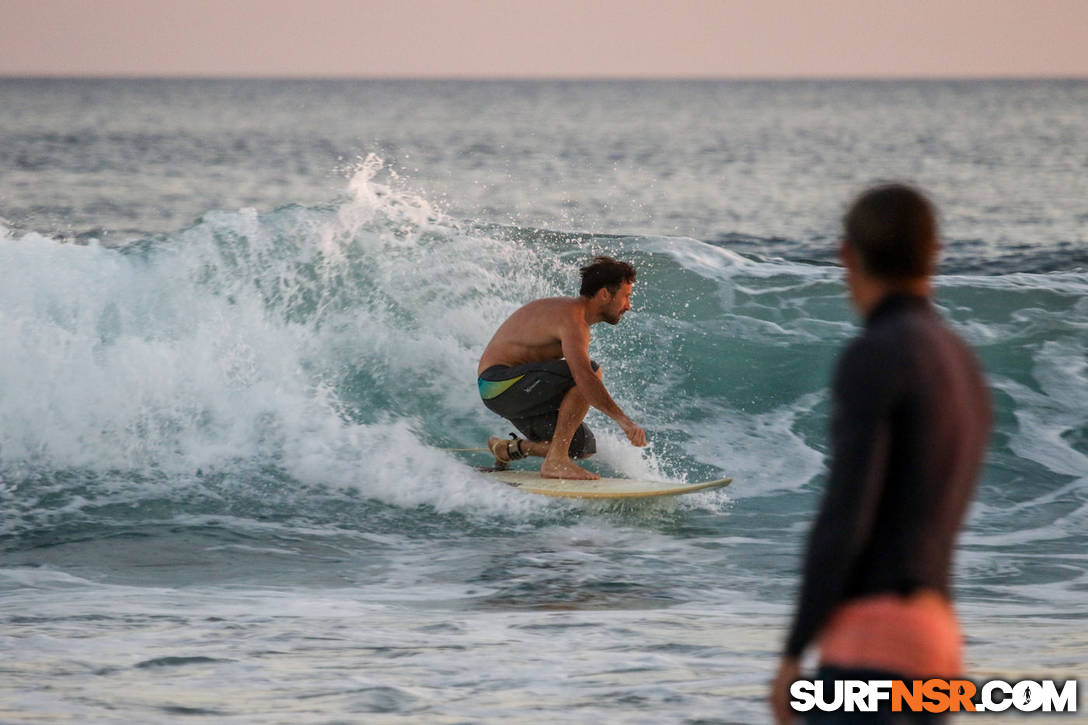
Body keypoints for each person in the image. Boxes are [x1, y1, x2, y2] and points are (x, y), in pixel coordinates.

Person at [770, 184, 991, 723]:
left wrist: (794, 651)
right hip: (940, 642)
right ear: (934, 251)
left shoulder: (876, 353)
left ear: (847, 254)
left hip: (872, 647)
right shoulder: (960, 362)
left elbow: (847, 514)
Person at [477, 256, 647, 480]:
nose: (628, 305)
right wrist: (624, 422)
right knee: (591, 371)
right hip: (498, 384)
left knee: (580, 445)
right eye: (626, 296)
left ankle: (508, 448)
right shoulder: (571, 318)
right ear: (605, 294)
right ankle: (556, 462)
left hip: (513, 392)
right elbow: (584, 377)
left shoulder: (577, 320)